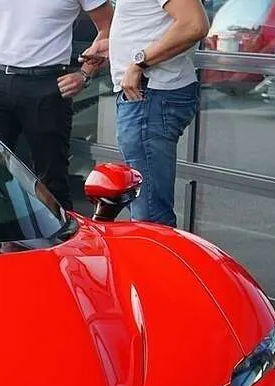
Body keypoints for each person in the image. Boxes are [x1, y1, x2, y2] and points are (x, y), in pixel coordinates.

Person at [0, 0, 113, 212]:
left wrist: (84, 74)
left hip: (47, 83)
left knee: (51, 180)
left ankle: (60, 233)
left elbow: (109, 27)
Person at [106, 0, 208, 227]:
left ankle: (156, 252)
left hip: (151, 94)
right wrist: (110, 46)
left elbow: (194, 25)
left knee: (150, 214)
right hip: (148, 94)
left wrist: (139, 62)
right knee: (147, 206)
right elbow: (152, 25)